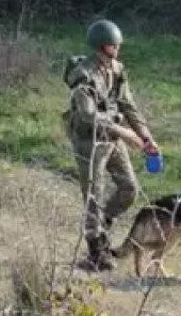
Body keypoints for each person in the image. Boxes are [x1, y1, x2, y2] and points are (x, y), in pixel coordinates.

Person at [63, 19, 159, 272]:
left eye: (117, 44)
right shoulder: (82, 75)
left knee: (129, 189)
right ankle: (96, 252)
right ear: (102, 46)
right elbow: (88, 115)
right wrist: (124, 133)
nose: (117, 48)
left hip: (113, 139)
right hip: (89, 141)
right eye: (113, 45)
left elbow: (128, 106)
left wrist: (146, 137)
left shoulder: (117, 70)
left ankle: (102, 226)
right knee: (93, 196)